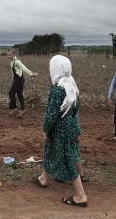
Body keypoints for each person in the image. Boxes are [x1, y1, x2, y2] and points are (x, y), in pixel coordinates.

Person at [33, 55, 87, 207]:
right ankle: (43, 178)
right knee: (50, 150)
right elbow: (75, 111)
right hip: (70, 127)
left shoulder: (57, 89)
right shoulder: (72, 86)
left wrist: (45, 129)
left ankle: (80, 195)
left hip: (59, 129)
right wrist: (77, 129)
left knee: (67, 160)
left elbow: (51, 113)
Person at [7, 48, 37, 118]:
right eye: (7, 55)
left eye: (10, 55)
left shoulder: (17, 61)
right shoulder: (12, 61)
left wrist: (32, 74)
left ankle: (15, 109)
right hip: (17, 79)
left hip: (19, 80)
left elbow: (24, 68)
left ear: (14, 55)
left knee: (11, 93)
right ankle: (23, 109)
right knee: (19, 94)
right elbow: (15, 71)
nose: (8, 56)